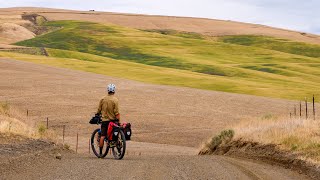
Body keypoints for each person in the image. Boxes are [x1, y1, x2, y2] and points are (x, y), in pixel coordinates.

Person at [96, 83, 120, 157]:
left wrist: (97, 114)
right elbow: (117, 112)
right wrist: (118, 121)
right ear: (114, 91)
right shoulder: (115, 100)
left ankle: (100, 153)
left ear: (108, 90)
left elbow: (99, 109)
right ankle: (119, 150)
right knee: (115, 135)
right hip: (112, 121)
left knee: (103, 136)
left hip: (105, 121)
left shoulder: (102, 99)